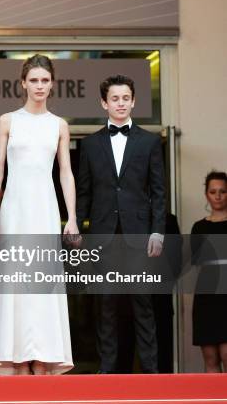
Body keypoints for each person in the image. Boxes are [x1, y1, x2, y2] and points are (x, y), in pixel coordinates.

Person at [0, 54, 77, 375]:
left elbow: (66, 173)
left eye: (44, 80)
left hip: (46, 209)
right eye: (34, 80)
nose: (39, 85)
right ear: (23, 82)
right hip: (14, 209)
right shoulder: (7, 121)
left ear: (52, 84)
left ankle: (42, 358)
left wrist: (73, 218)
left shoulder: (59, 125)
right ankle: (17, 360)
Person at [77, 74, 166, 374]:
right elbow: (84, 191)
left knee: (143, 304)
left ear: (133, 101)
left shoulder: (150, 141)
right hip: (102, 235)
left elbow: (158, 191)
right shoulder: (89, 145)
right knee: (106, 306)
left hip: (139, 235)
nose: (120, 103)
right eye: (114, 98)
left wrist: (158, 231)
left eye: (125, 98)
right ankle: (107, 370)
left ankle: (151, 371)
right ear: (104, 103)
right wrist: (76, 225)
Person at [191, 171, 227, 373]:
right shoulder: (199, 227)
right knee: (211, 356)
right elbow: (197, 265)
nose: (218, 196)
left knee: (226, 353)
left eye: (222, 191)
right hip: (206, 297)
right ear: (207, 195)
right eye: (213, 191)